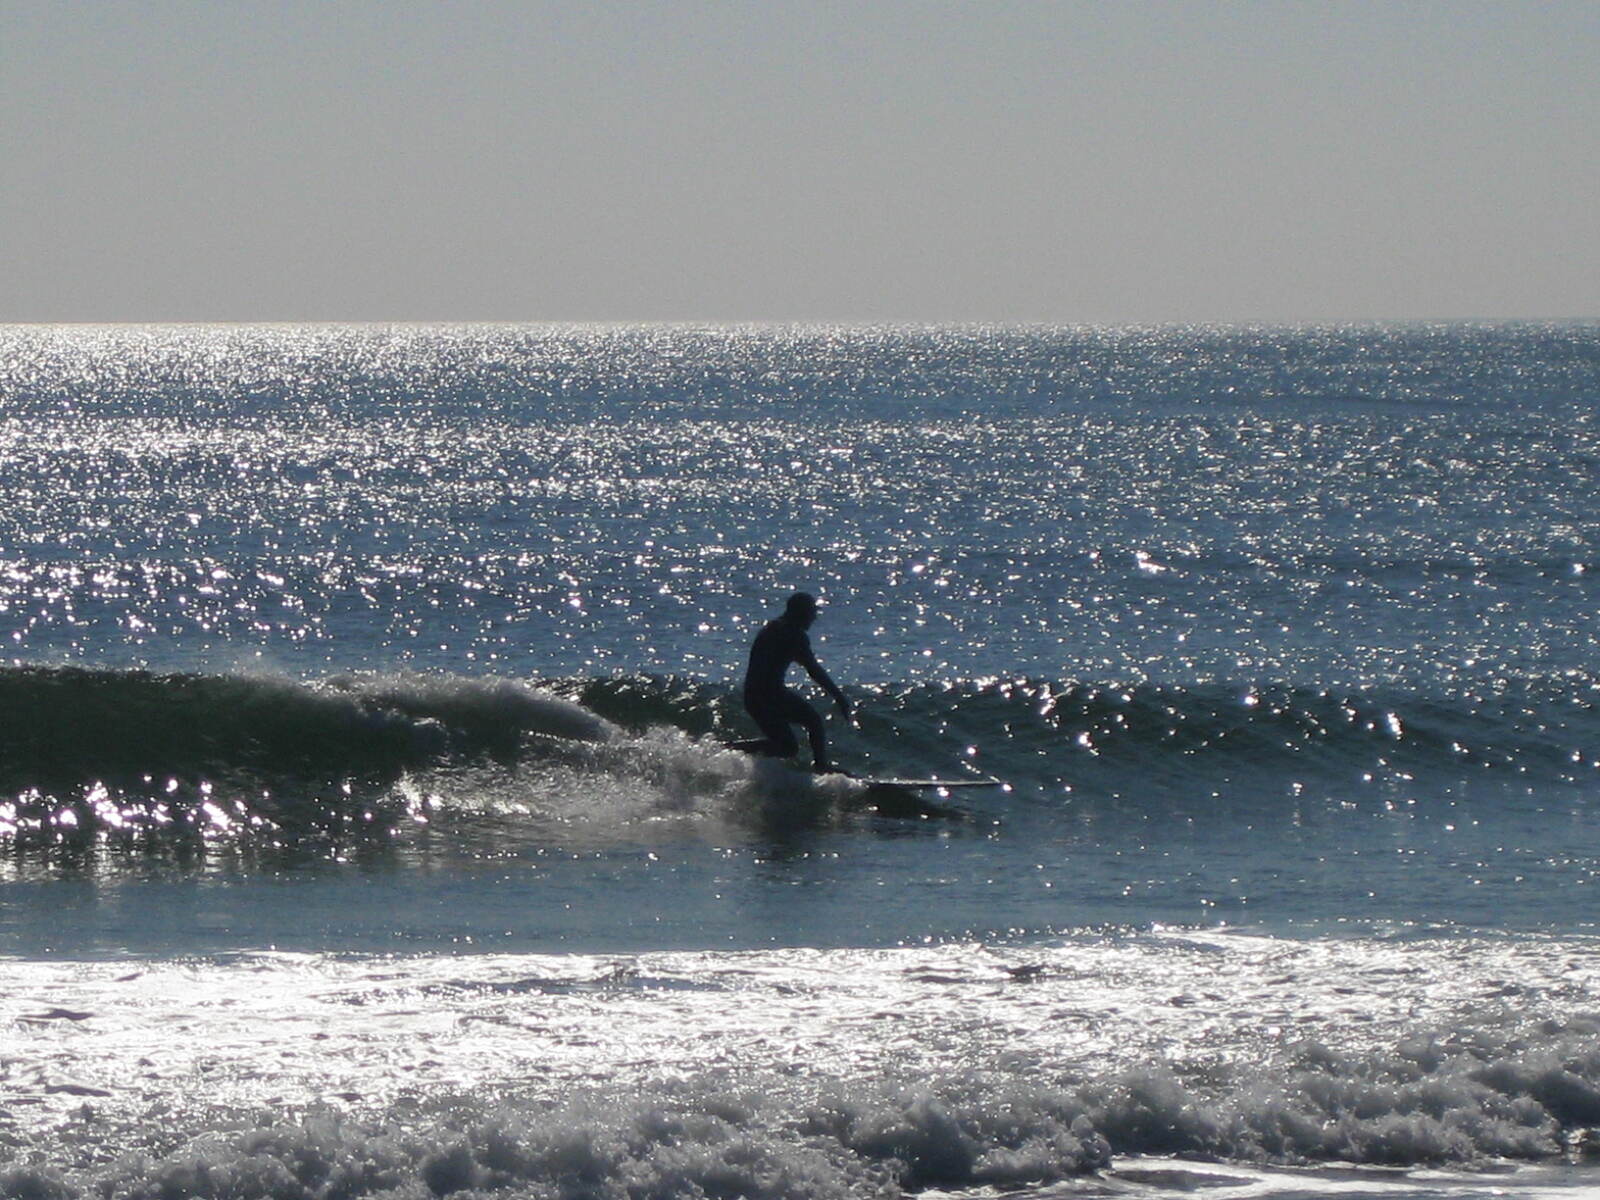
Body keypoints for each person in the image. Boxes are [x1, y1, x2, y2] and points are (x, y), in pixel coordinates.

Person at [732, 591, 852, 772]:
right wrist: (839, 697)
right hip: (768, 696)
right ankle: (821, 766)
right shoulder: (793, 634)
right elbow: (813, 669)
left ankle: (730, 749)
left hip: (754, 696)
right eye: (812, 613)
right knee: (812, 722)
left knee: (786, 747)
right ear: (801, 613)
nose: (814, 618)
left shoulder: (771, 628)